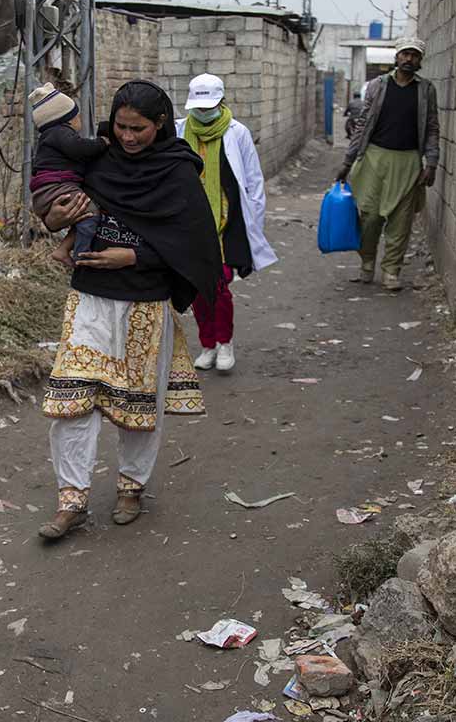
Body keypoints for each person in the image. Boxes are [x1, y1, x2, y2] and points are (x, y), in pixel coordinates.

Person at [35, 80, 222, 541]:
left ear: (161, 125)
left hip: (146, 303)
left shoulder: (178, 173)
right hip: (90, 298)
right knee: (71, 403)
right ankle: (71, 498)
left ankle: (130, 488)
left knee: (140, 403)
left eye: (139, 128)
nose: (128, 137)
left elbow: (196, 247)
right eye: (120, 126)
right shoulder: (97, 156)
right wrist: (55, 218)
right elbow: (59, 206)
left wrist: (133, 257)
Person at [175, 74, 277, 374]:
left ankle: (224, 342)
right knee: (195, 289)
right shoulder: (180, 130)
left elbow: (254, 181)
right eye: (199, 107)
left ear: (221, 102)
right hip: (190, 224)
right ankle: (207, 345)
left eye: (209, 106)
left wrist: (253, 225)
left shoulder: (237, 132)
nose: (204, 112)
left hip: (225, 223)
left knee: (219, 287)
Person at [333, 38, 440, 291]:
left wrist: (431, 163)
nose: (409, 59)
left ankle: (392, 272)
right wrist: (347, 163)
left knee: (400, 223)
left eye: (414, 55)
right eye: (405, 54)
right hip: (373, 159)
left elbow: (433, 127)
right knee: (369, 219)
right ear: (396, 57)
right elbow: (362, 125)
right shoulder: (378, 86)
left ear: (420, 61)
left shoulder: (426, 90)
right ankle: (367, 265)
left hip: (408, 163)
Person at [27, 83, 108, 265]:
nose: (80, 119)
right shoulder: (60, 133)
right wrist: (102, 143)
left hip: (46, 193)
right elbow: (80, 149)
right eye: (77, 115)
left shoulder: (50, 137)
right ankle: (82, 257)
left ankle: (63, 249)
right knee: (90, 212)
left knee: (81, 217)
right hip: (55, 189)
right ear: (68, 120)